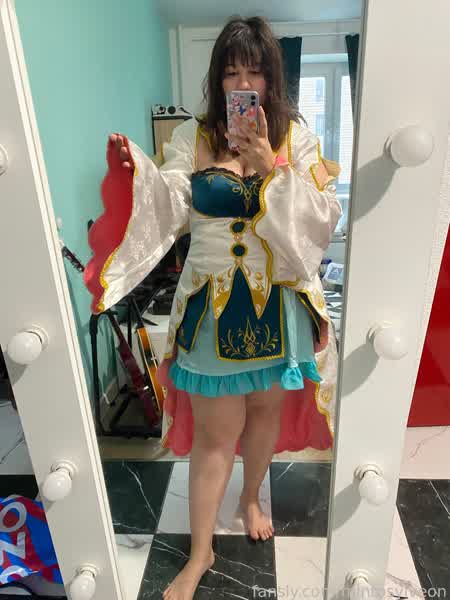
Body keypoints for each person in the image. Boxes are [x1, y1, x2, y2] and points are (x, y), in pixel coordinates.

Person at [84, 15, 342, 600]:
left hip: (277, 306)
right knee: (214, 436)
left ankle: (250, 498)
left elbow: (323, 220)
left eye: (254, 71)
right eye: (231, 73)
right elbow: (169, 202)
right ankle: (200, 551)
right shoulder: (192, 137)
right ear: (217, 80)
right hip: (211, 310)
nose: (242, 84)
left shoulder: (297, 140)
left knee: (265, 415)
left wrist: (271, 165)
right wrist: (138, 173)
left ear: (271, 79)